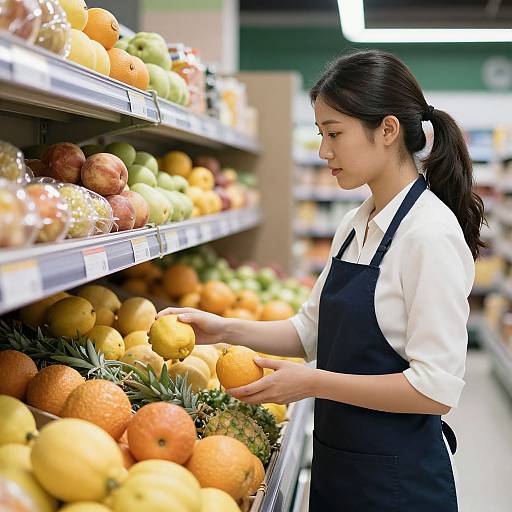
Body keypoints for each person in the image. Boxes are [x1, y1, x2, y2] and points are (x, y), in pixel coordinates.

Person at [157, 49, 483, 511]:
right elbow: (308, 330)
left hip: (398, 484)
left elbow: (434, 390)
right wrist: (223, 329)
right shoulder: (355, 223)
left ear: (387, 130)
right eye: (320, 133)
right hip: (341, 467)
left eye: (335, 133)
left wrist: (312, 383)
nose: (323, 151)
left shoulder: (429, 235)